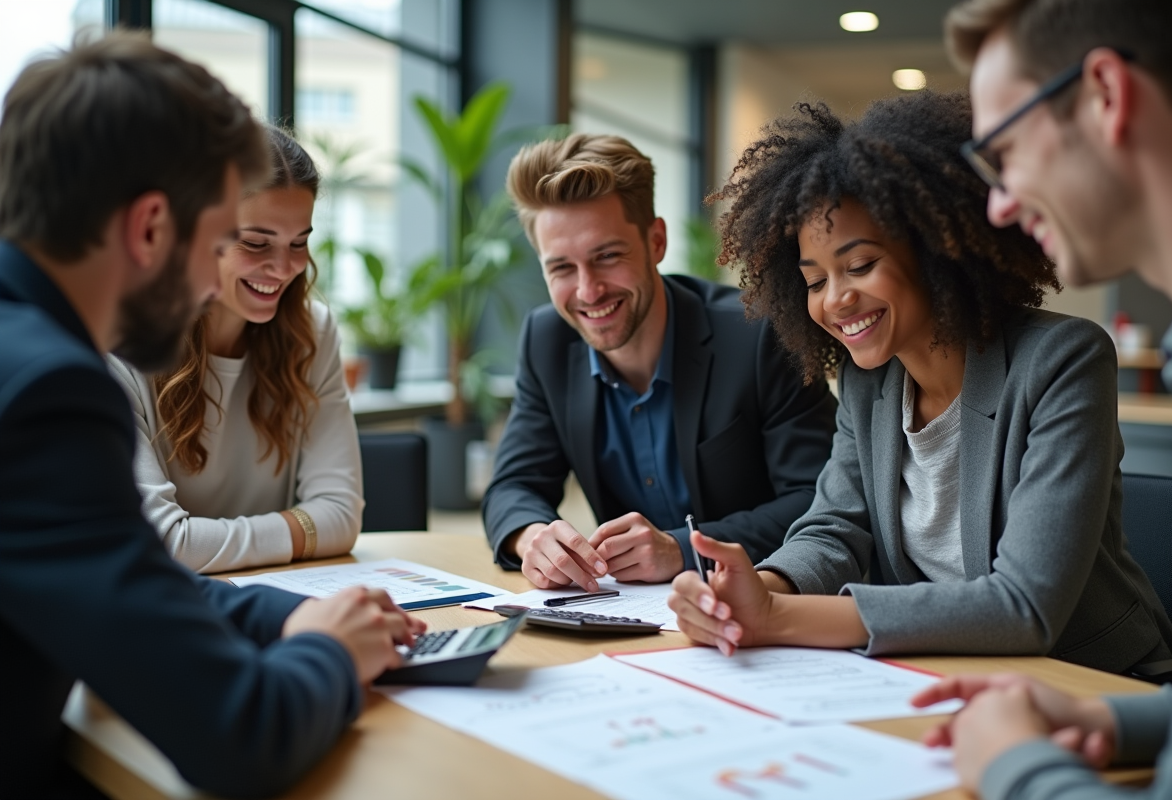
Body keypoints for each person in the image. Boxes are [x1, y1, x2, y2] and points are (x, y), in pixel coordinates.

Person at [0, 34, 424, 798]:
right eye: (221, 238)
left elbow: (135, 569)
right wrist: (332, 652)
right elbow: (240, 736)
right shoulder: (46, 391)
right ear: (150, 228)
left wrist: (285, 619)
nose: (213, 283)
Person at [667, 91, 1172, 675]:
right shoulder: (869, 383)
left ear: (938, 250)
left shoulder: (1062, 360)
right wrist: (759, 587)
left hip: (1092, 682)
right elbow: (834, 529)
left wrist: (780, 617)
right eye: (814, 281)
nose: (836, 300)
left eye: (860, 266)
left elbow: (1024, 606)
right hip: (943, 674)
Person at [909, 0, 1172, 797]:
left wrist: (1012, 763)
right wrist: (1113, 719)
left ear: (1106, 93)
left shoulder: (1061, 357)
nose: (998, 204)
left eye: (1003, 150)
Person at [483, 133, 838, 591]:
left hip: (766, 602)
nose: (588, 291)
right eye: (562, 268)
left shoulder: (758, 335)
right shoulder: (545, 340)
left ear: (656, 241)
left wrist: (683, 549)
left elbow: (820, 498)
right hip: (630, 614)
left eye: (607, 256)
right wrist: (532, 537)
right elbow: (513, 486)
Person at [108, 126, 363, 574]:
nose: (283, 268)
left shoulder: (313, 333)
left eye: (299, 243)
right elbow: (161, 543)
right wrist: (301, 529)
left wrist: (201, 542)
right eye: (255, 242)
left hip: (277, 599)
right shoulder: (118, 346)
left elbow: (341, 516)